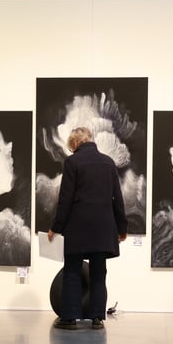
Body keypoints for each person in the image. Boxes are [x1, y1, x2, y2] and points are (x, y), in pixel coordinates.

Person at [47, 127, 128, 330]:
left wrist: (55, 227)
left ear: (75, 144)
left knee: (73, 271)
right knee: (99, 273)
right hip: (103, 228)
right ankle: (97, 318)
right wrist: (122, 227)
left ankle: (70, 318)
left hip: (78, 227)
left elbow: (65, 200)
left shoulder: (72, 162)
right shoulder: (108, 163)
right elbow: (117, 199)